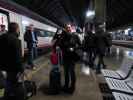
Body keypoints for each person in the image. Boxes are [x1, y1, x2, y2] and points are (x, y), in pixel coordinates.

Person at [0, 22, 24, 100]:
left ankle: (6, 96)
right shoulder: (16, 40)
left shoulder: (1, 37)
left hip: (3, 66)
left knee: (8, 82)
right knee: (16, 84)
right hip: (13, 68)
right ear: (16, 29)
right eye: (18, 29)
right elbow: (18, 58)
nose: (19, 31)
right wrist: (21, 69)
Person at [59, 25, 79, 94]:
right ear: (65, 29)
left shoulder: (75, 36)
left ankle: (72, 87)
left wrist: (73, 48)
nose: (68, 29)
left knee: (72, 72)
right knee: (66, 72)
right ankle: (66, 86)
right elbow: (60, 45)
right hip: (65, 57)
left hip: (72, 57)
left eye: (69, 27)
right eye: (67, 28)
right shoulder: (63, 36)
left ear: (71, 28)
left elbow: (80, 45)